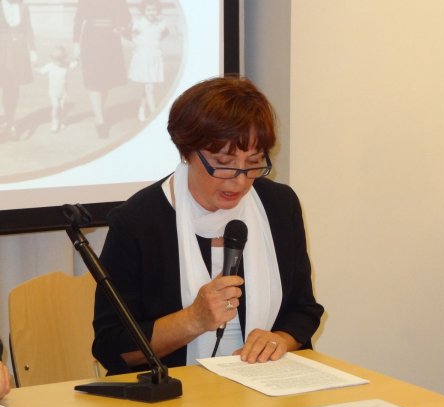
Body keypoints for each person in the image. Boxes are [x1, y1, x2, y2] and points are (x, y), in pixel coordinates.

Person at [92, 76, 324, 374]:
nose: (240, 181)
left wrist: (279, 339)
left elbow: (304, 310)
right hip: (174, 392)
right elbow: (112, 348)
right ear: (186, 151)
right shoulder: (138, 221)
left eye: (253, 162)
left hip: (264, 383)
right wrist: (193, 319)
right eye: (224, 163)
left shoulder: (278, 205)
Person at [73, 0, 131, 138]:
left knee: (105, 82)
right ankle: (99, 119)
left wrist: (121, 28)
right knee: (93, 80)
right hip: (91, 40)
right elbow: (78, 20)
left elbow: (127, 17)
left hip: (111, 41)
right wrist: (75, 44)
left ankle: (98, 110)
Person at [0, 0, 37, 139]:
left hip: (18, 51)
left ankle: (10, 121)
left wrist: (32, 50)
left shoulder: (23, 6)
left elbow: (28, 29)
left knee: (13, 87)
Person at [128, 0, 169, 122]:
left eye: (154, 10)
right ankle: (154, 114)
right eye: (148, 10)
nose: (151, 13)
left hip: (155, 57)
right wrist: (138, 45)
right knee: (149, 87)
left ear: (158, 11)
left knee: (149, 87)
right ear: (144, 11)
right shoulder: (138, 24)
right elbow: (132, 37)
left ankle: (141, 109)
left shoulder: (161, 24)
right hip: (143, 58)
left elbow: (163, 34)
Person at [36, 45, 73, 132]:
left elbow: (73, 65)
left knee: (62, 108)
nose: (59, 63)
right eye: (57, 60)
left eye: (61, 60)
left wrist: (77, 59)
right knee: (56, 107)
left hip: (63, 92)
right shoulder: (49, 66)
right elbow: (41, 71)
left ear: (64, 58)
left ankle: (62, 120)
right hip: (53, 92)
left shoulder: (66, 65)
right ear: (52, 59)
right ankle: (54, 123)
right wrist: (35, 67)